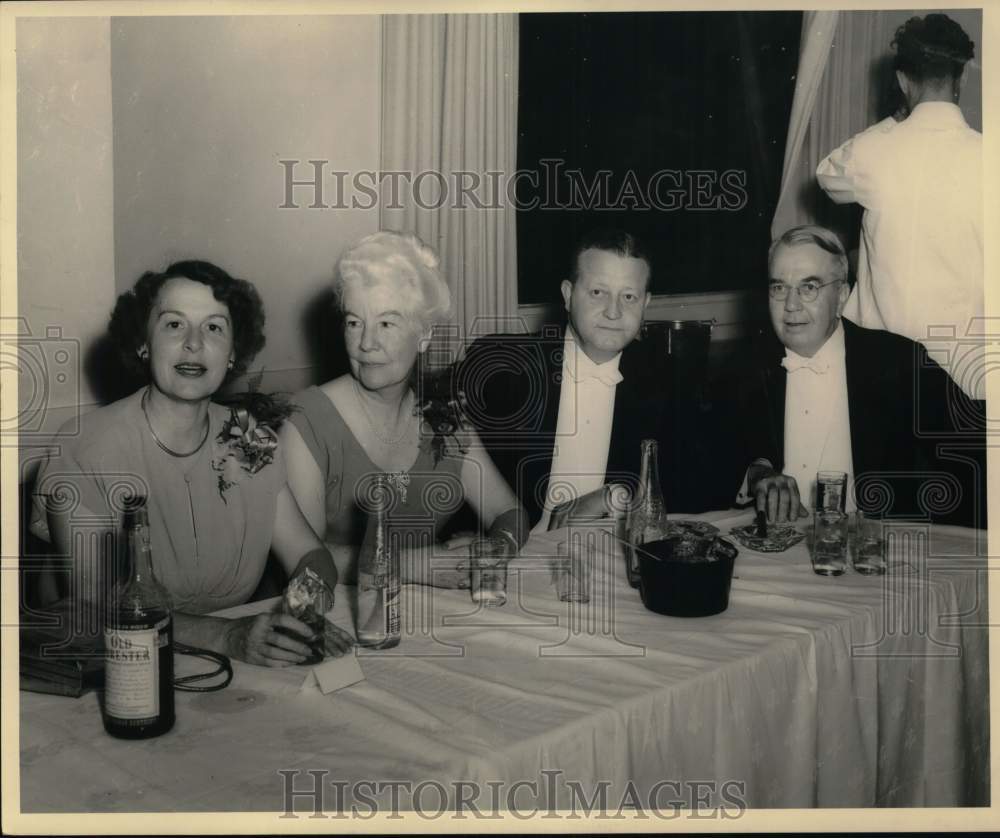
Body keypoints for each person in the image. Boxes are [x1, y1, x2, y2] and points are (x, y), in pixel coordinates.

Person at [32, 261, 353, 666]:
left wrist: (301, 610)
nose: (194, 345)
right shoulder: (85, 447)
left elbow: (310, 555)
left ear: (234, 353)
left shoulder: (247, 437)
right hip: (110, 665)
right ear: (142, 342)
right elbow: (93, 609)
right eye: (174, 325)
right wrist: (227, 635)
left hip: (221, 665)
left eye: (214, 328)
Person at [281, 231, 528, 586]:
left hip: (425, 613)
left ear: (424, 334)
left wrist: (497, 547)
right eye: (354, 322)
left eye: (386, 323)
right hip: (334, 618)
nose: (366, 343)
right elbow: (306, 557)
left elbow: (508, 511)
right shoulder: (306, 420)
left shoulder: (445, 420)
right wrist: (416, 566)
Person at [458, 228, 721, 532]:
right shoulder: (503, 367)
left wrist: (614, 496)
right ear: (568, 296)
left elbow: (698, 486)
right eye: (598, 292)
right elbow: (450, 475)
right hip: (517, 558)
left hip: (610, 560)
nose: (613, 311)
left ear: (646, 304)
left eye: (629, 296)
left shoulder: (666, 379)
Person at [731, 225, 984, 527]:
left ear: (841, 297)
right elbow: (712, 466)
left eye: (809, 287)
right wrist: (757, 473)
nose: (791, 305)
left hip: (874, 557)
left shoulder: (899, 362)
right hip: (776, 554)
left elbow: (976, 457)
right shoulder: (745, 369)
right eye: (779, 288)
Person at [816, 14, 983, 400]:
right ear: (963, 79)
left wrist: (894, 123)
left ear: (902, 80)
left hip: (883, 373)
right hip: (973, 377)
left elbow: (827, 175)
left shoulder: (874, 152)